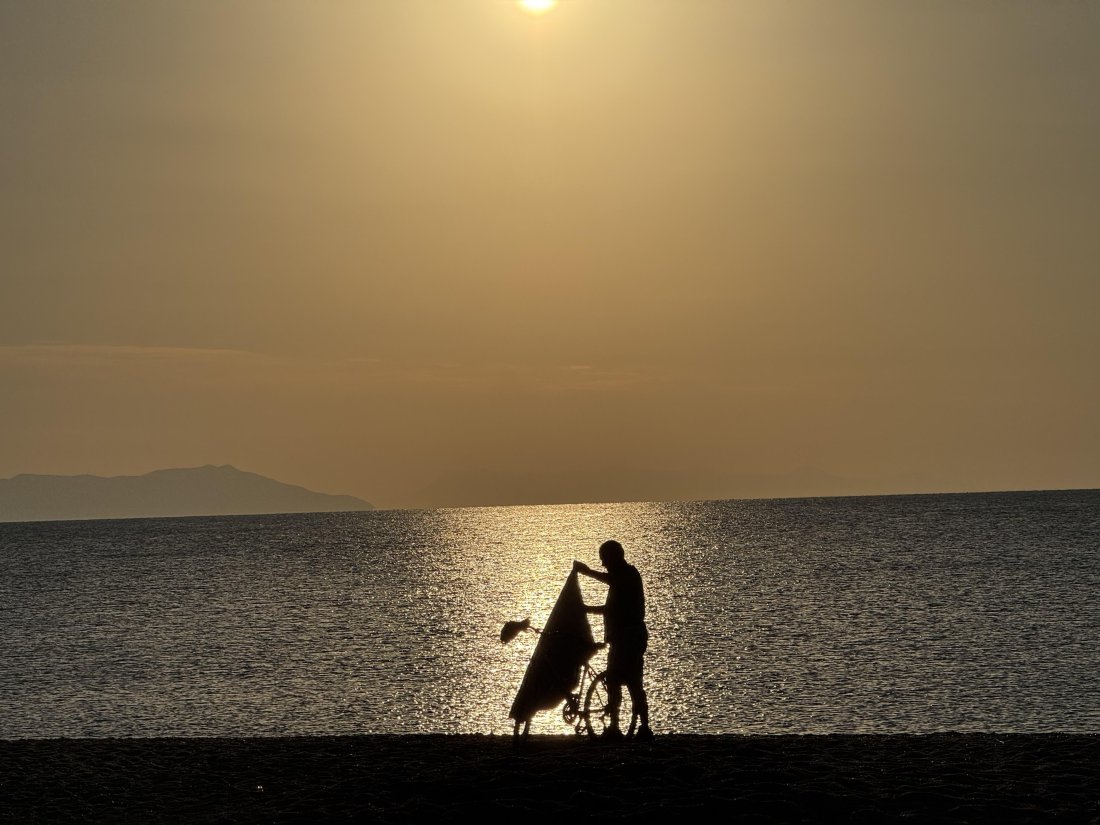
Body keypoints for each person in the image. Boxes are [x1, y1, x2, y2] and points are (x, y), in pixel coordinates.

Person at [573, 540, 653, 742]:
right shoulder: (621, 577)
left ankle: (643, 727)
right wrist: (585, 608)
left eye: (605, 559)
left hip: (630, 637)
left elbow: (610, 587)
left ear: (615, 557)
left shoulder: (627, 575)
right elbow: (610, 607)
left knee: (632, 682)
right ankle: (616, 726)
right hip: (620, 637)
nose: (604, 564)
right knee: (615, 681)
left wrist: (586, 572)